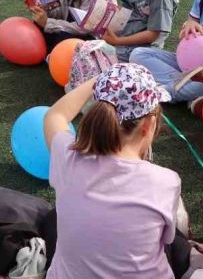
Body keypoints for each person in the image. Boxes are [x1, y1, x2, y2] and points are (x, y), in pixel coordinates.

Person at [43, 64, 182, 279]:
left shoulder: (67, 158)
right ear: (149, 124)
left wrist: (101, 77)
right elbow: (166, 240)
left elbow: (55, 115)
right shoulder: (166, 181)